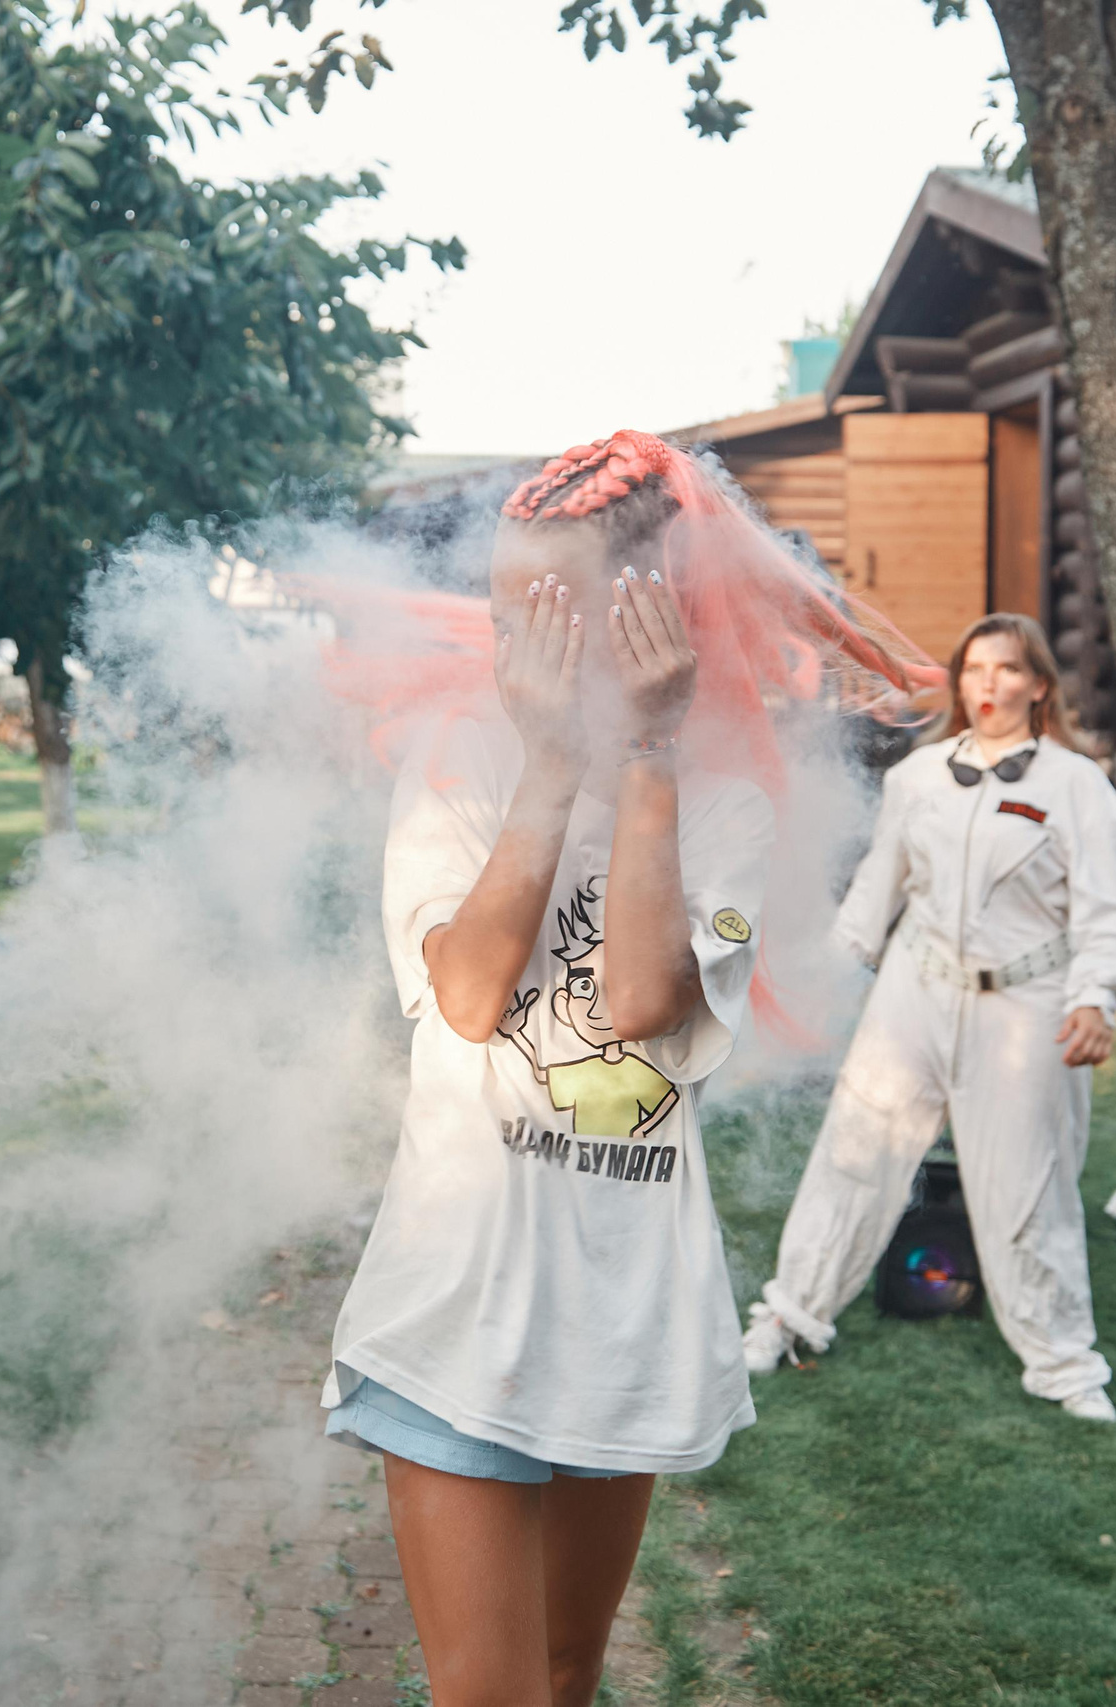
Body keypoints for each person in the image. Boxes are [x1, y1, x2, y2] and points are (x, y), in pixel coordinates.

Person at [319, 432, 930, 1707]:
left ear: (657, 613)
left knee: (564, 1675)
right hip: (458, 1303)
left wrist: (642, 758)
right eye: (502, 605)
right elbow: (474, 995)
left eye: (552, 606)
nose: (515, 638)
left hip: (626, 1317)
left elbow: (641, 1003)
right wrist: (551, 765)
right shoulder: (457, 762)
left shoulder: (723, 804)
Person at [738, 612, 1116, 1423]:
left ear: (1039, 685)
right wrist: (821, 984)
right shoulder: (920, 776)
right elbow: (876, 889)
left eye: (1006, 670)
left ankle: (1064, 1363)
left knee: (1027, 1187)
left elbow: (1109, 907)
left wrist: (1095, 996)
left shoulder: (1077, 786)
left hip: (1027, 1001)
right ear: (959, 683)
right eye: (974, 670)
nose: (988, 685)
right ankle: (789, 1316)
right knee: (853, 1156)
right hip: (914, 989)